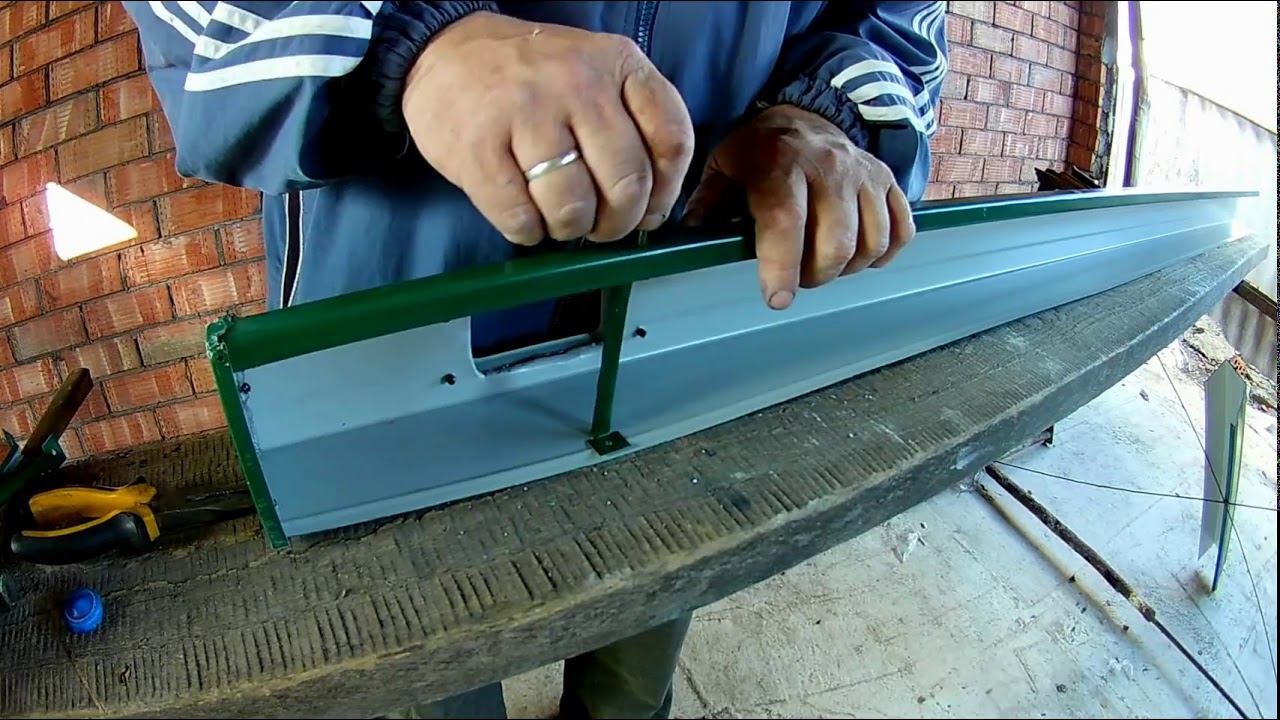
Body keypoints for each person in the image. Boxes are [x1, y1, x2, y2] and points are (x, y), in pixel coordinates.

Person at [126, 1, 947, 717]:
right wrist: (420, 44)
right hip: (388, 363)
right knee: (425, 666)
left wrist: (821, 111)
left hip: (676, 344)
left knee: (643, 644)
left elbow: (895, 22)